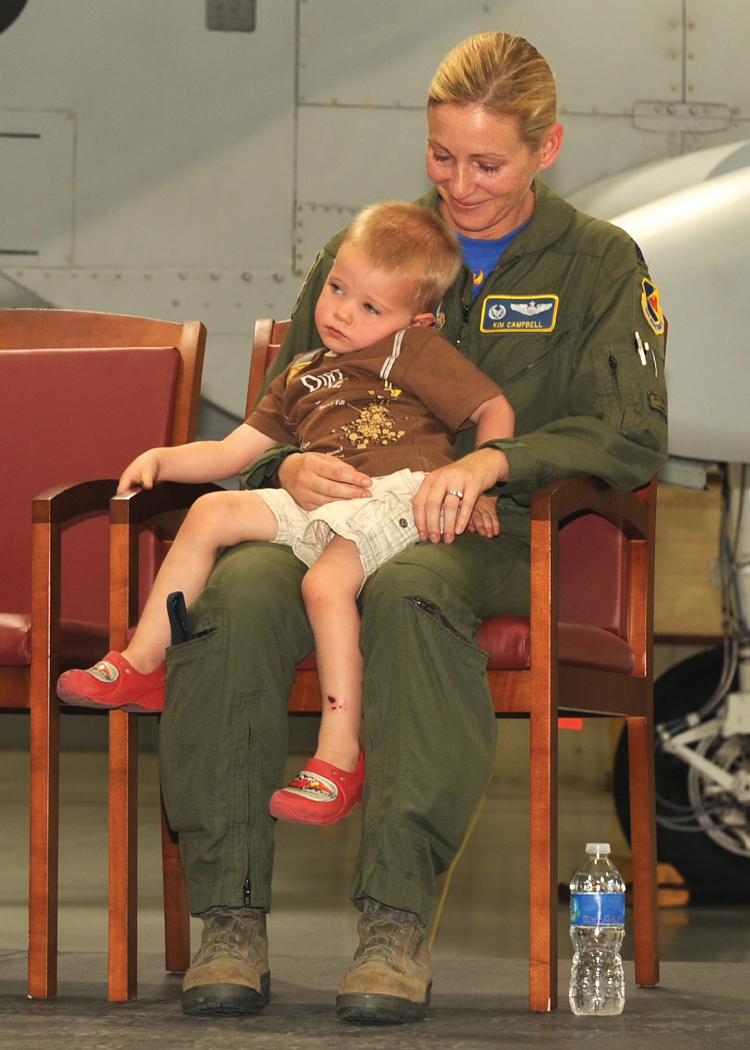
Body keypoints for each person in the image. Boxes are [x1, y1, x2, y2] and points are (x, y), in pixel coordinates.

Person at [157, 30, 668, 1024]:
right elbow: (281, 409)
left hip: (497, 539)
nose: (461, 184)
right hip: (333, 521)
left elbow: (632, 434)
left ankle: (394, 923)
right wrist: (286, 463)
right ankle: (231, 915)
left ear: (547, 148)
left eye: (489, 163)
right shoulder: (366, 253)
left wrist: (496, 459)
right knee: (231, 594)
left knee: (414, 590)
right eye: (442, 157)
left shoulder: (602, 264)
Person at [56, 201, 515, 827]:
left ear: (418, 319)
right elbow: (231, 450)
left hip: (397, 496)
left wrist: (477, 471)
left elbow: (494, 408)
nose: (342, 312)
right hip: (321, 501)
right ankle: (142, 663)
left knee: (324, 586)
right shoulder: (300, 374)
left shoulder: (413, 350)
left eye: (370, 307)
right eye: (336, 289)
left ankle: (338, 757)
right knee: (212, 511)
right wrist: (164, 457)